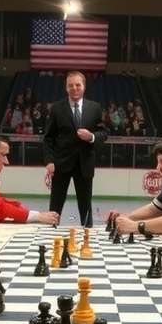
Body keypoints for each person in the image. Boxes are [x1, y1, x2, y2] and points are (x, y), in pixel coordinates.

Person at [43, 71, 108, 227]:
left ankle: (87, 236)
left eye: (78, 85)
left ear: (84, 86)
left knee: (86, 205)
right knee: (55, 204)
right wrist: (49, 161)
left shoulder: (95, 108)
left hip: (85, 164)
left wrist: (91, 136)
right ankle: (50, 232)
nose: (74, 88)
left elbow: (104, 133)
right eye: (70, 85)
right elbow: (48, 138)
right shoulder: (56, 108)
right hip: (60, 164)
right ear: (66, 88)